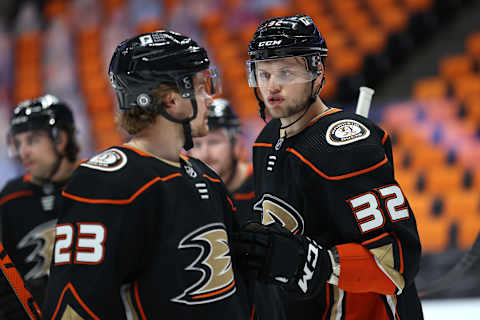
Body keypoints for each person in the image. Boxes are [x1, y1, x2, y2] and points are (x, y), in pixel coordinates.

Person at [42, 30, 251, 319]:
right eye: (200, 88)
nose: (209, 99)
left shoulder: (206, 177)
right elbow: (74, 305)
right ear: (170, 101)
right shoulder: (105, 181)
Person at [233, 14, 424, 320]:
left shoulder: (346, 144)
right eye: (263, 73)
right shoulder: (266, 139)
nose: (273, 85)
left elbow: (397, 263)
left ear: (316, 71)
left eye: (286, 72)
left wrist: (317, 263)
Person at [188, 98, 287, 320]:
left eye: (214, 142)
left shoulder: (268, 186)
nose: (205, 153)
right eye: (196, 144)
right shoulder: (190, 196)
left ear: (236, 142)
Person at [0, 94, 80, 309]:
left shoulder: (99, 185)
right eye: (18, 142)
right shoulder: (10, 198)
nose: (23, 151)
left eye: (33, 140)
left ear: (60, 139)